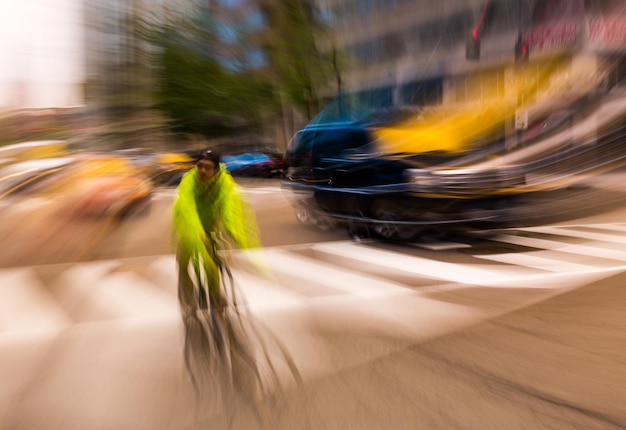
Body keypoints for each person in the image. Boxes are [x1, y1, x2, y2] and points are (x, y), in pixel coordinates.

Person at [172, 147, 261, 313]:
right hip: (187, 225)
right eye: (200, 166)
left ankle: (215, 295)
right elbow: (187, 208)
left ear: (217, 169)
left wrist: (233, 231)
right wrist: (196, 230)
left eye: (208, 167)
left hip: (210, 226)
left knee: (211, 264)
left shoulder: (225, 183)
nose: (202, 171)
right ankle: (188, 292)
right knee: (183, 263)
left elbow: (228, 209)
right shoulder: (189, 180)